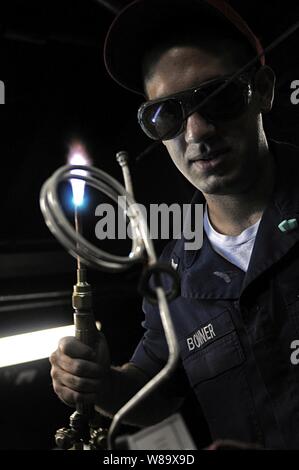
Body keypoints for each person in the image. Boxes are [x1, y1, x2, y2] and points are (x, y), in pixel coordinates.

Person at [50, 0, 299, 449]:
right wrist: (102, 383)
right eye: (167, 113)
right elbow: (156, 387)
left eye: (218, 96)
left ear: (262, 89)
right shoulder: (174, 276)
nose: (197, 131)